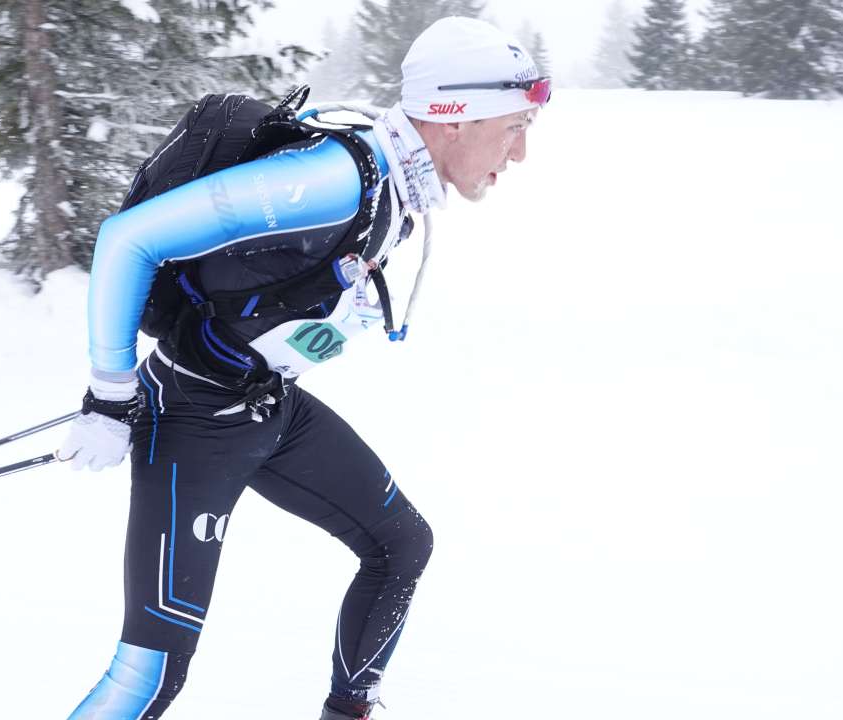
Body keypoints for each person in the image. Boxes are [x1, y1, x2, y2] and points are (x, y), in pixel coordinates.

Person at [58, 16, 547, 720]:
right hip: (195, 420)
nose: (522, 152)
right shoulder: (334, 181)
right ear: (453, 118)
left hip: (266, 406)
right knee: (151, 675)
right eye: (512, 127)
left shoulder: (392, 186)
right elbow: (129, 238)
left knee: (400, 545)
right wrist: (109, 397)